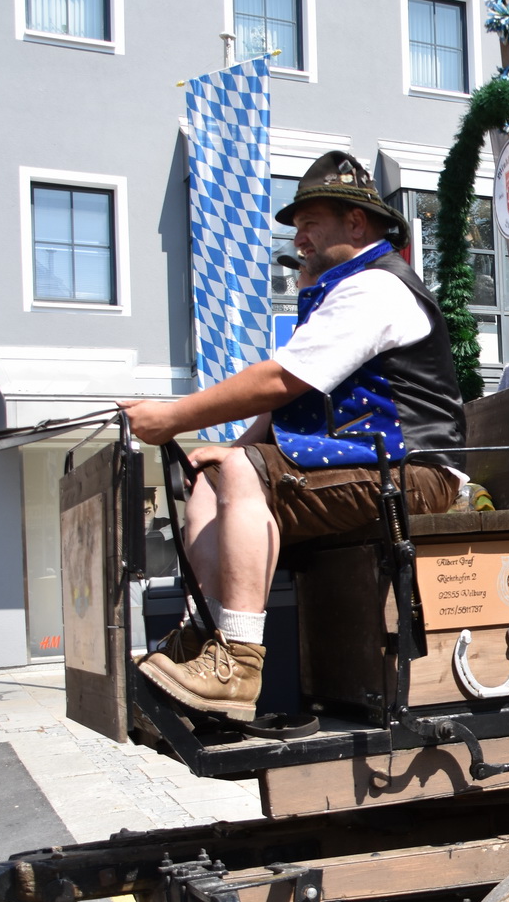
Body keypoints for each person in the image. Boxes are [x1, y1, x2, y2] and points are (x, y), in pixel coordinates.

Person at [121, 151, 468, 720]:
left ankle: (237, 662)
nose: (299, 238)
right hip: (371, 466)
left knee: (237, 473)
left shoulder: (375, 289)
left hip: (418, 475)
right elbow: (290, 403)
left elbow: (281, 380)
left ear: (355, 223)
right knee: (216, 477)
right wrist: (228, 453)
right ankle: (201, 633)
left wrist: (175, 418)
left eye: (308, 222)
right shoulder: (344, 293)